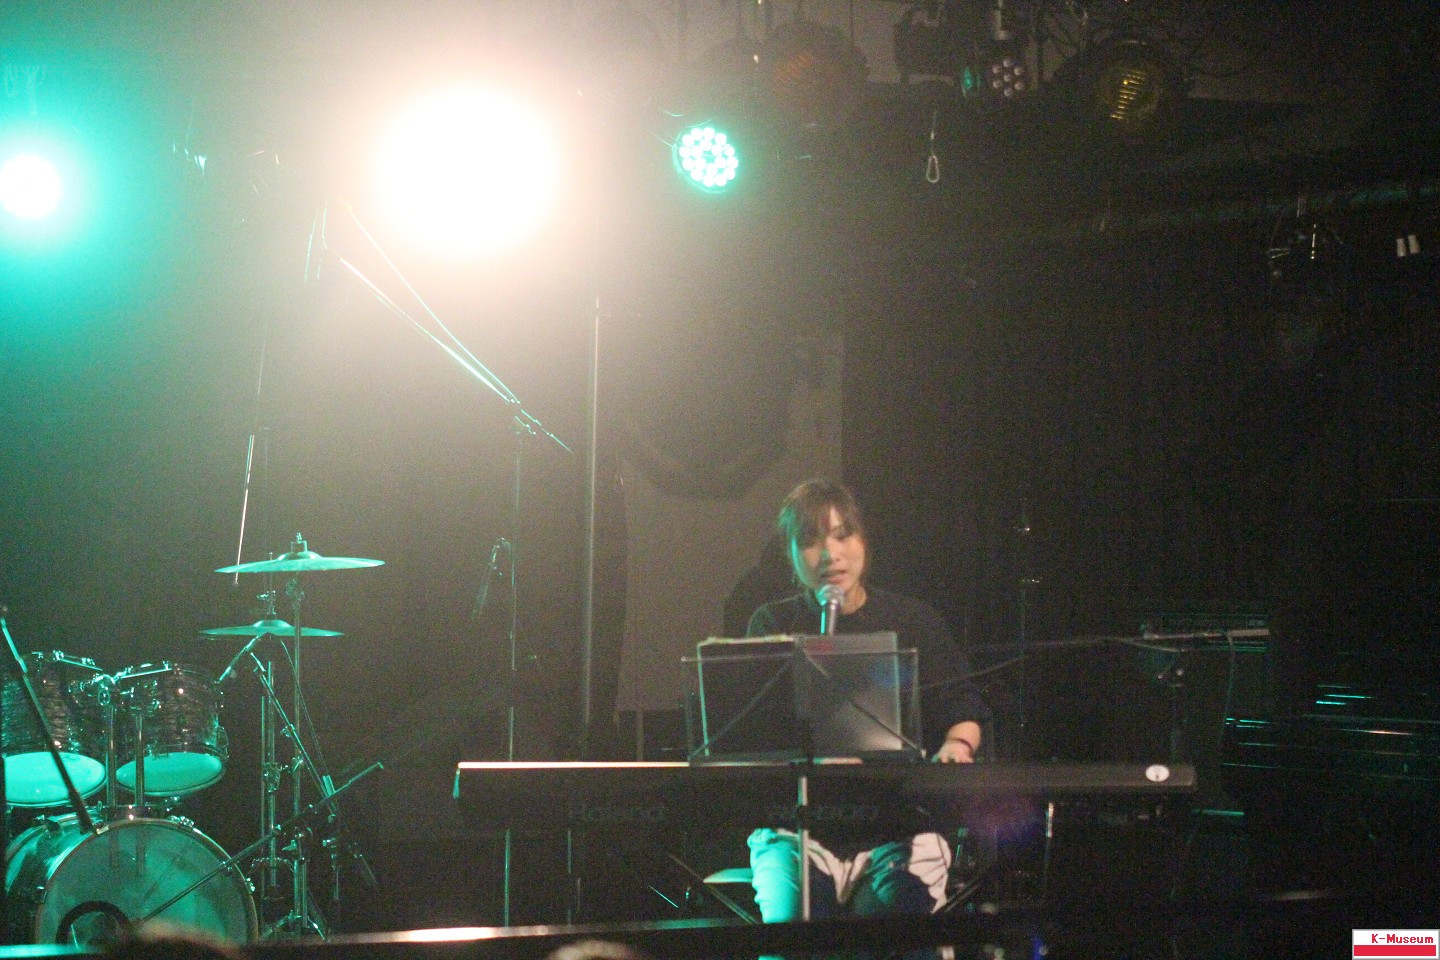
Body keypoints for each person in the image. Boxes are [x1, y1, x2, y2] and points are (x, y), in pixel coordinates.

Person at [744, 478, 990, 926]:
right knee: (788, 932)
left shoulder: (914, 620)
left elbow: (963, 708)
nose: (830, 554)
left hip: (901, 826)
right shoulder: (772, 623)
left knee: (897, 929)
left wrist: (957, 745)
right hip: (798, 828)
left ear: (864, 541)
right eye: (811, 541)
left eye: (843, 535)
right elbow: (753, 732)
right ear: (791, 554)